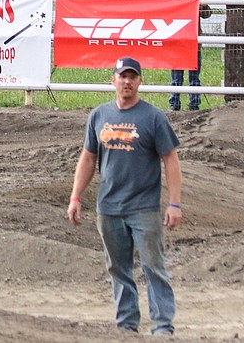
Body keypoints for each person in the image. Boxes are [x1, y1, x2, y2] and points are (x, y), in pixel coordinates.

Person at [67, 56, 182, 336]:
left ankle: (162, 325)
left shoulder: (153, 117)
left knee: (153, 266)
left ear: (140, 81)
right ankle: (127, 324)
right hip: (108, 207)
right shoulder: (99, 116)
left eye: (132, 76)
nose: (127, 81)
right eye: (122, 76)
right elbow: (88, 158)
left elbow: (170, 159)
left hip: (144, 207)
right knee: (118, 268)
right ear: (113, 80)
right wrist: (75, 197)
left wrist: (174, 203)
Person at [171, 0, 211, 111]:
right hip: (191, 44)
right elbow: (207, 15)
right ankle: (192, 104)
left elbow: (206, 14)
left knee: (178, 76)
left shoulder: (177, 3)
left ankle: (177, 103)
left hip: (178, 44)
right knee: (193, 77)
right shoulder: (193, 3)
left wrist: (203, 5)